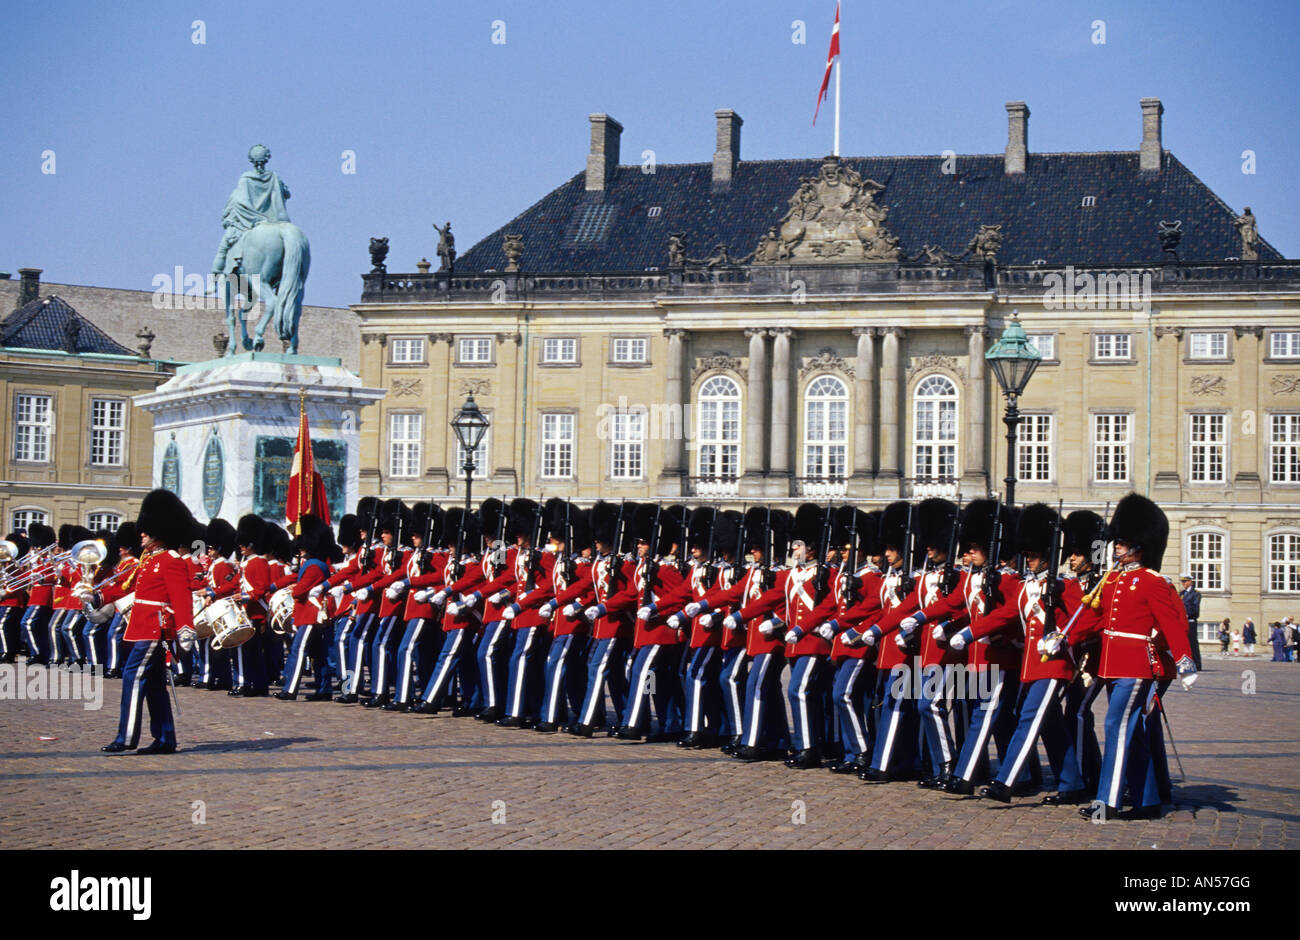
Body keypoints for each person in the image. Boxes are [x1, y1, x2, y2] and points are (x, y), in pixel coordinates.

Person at [1050, 493, 1197, 821]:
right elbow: (1094, 619)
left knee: (1116, 725)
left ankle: (1107, 801)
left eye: (1123, 542)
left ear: (1139, 546)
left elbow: (1172, 624)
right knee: (1133, 733)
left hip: (1136, 665)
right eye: (1118, 542)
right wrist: (1064, 638)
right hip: (1112, 665)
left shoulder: (1152, 582)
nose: (1116, 547)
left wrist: (1185, 661)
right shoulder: (1114, 579)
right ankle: (1147, 801)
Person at [95, 489, 200, 754]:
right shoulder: (149, 560)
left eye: (146, 530)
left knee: (132, 676)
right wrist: (98, 597)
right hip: (140, 627)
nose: (141, 533)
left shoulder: (170, 560)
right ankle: (165, 739)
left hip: (155, 627)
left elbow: (181, 597)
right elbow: (129, 591)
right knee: (153, 684)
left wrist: (186, 627)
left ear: (159, 530)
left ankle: (127, 736)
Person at [1179, 575, 1202, 670]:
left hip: (1190, 620)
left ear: (1190, 582)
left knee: (1192, 643)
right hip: (1182, 621)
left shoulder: (1195, 593)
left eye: (1185, 581)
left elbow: (1195, 607)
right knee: (1182, 643)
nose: (1183, 583)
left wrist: (1186, 613)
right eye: (1182, 582)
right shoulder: (1181, 593)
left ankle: (1197, 664)